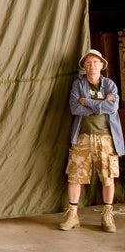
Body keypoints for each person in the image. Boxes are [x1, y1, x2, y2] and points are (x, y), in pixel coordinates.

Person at [59, 49, 124, 233]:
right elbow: (74, 108)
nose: (92, 65)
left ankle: (107, 215)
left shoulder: (109, 85)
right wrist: (100, 105)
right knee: (75, 175)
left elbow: (113, 106)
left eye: (96, 62)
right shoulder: (78, 85)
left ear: (102, 65)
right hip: (82, 136)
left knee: (107, 176)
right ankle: (72, 214)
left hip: (106, 137)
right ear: (84, 67)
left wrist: (86, 102)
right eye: (88, 63)